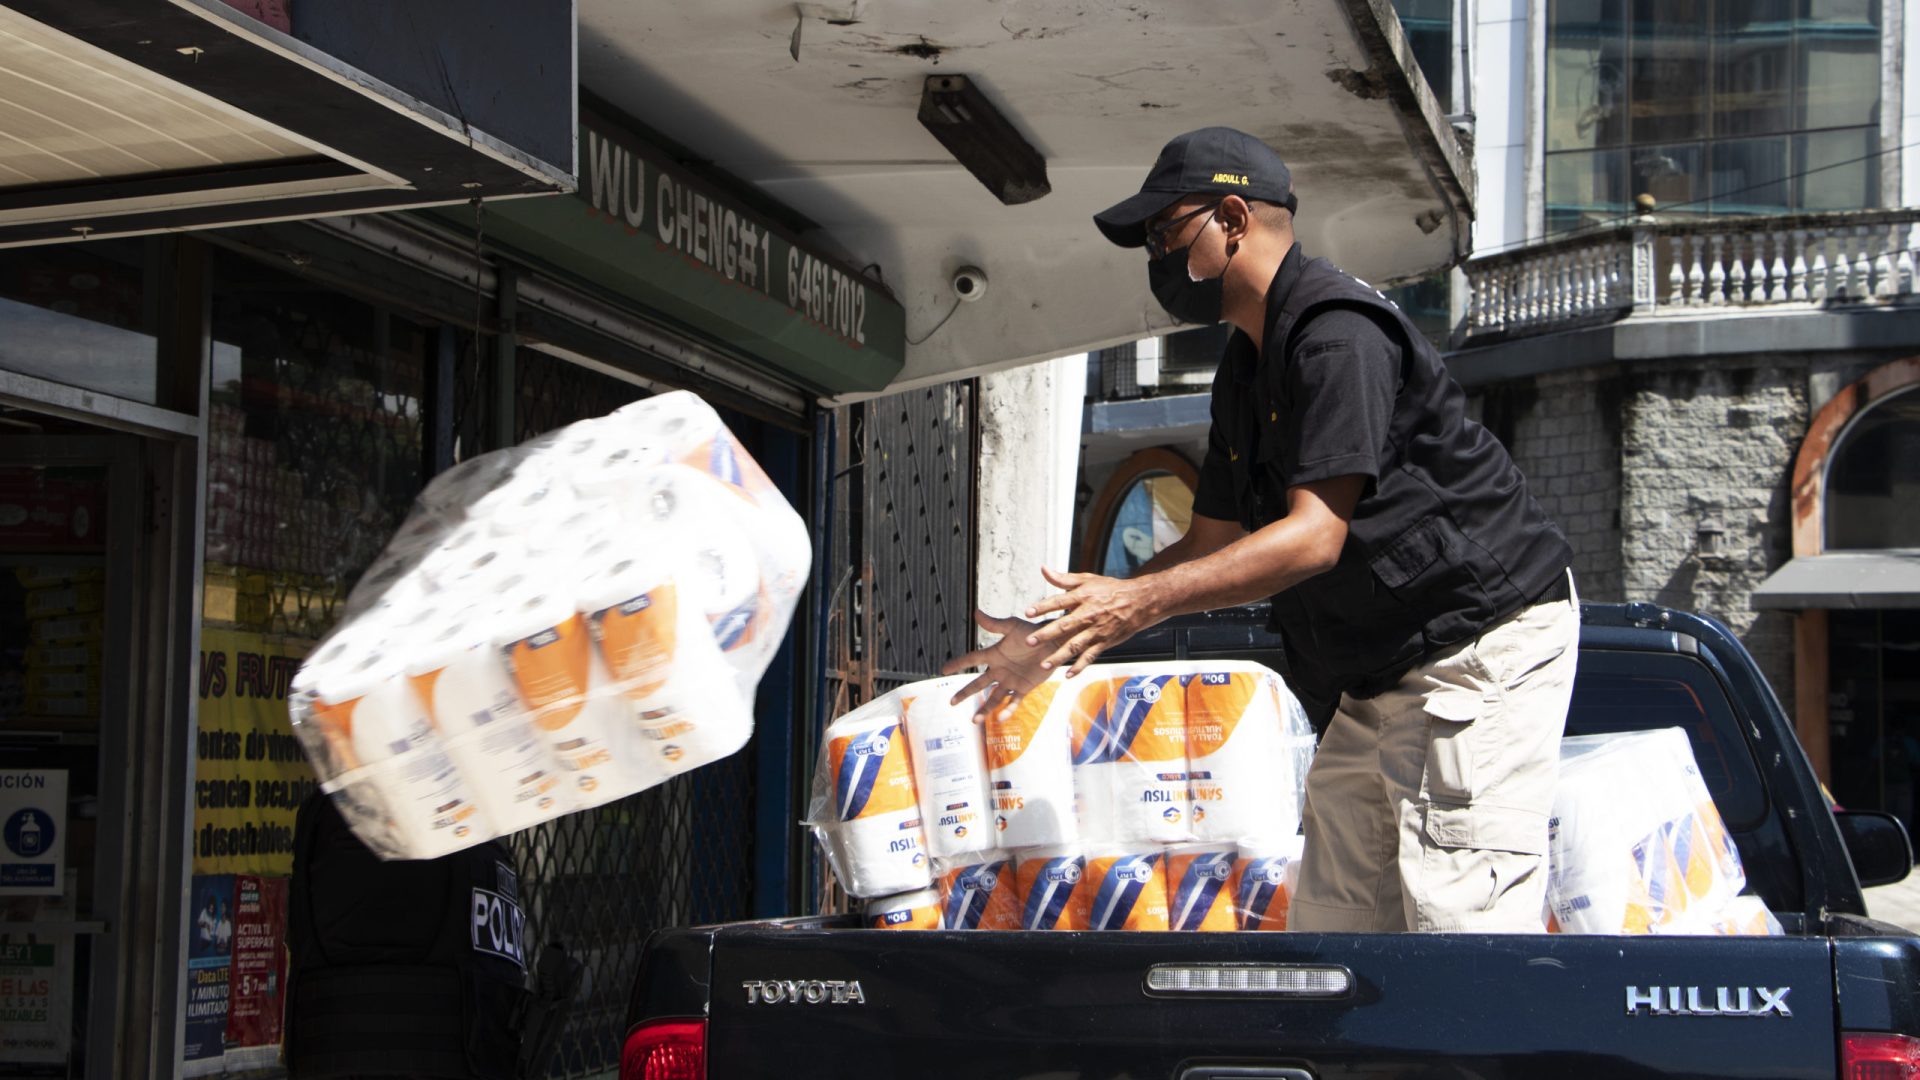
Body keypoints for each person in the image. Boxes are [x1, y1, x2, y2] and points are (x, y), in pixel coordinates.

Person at [944, 127, 1579, 933]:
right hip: (1374, 667)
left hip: (1478, 648)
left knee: (1458, 927)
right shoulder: (1245, 367)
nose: (1156, 258)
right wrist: (1064, 634)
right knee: (1339, 934)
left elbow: (1313, 538)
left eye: (1165, 234)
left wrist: (1134, 606)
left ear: (1234, 219)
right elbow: (1207, 543)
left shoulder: (1338, 334)